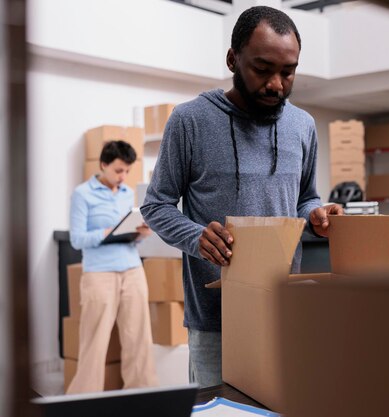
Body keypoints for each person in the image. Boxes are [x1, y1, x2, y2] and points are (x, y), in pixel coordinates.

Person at [140, 5, 343, 387]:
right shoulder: (190, 120)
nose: (276, 85)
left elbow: (305, 197)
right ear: (233, 59)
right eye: (262, 69)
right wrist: (196, 237)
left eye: (288, 72)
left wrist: (317, 213)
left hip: (281, 309)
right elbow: (156, 205)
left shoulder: (303, 125)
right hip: (215, 319)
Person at [68, 140, 157, 393]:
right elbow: (77, 239)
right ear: (103, 164)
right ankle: (82, 403)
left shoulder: (129, 194)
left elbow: (129, 235)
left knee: (139, 340)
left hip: (132, 270)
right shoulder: (82, 194)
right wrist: (108, 231)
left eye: (127, 171)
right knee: (94, 343)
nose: (123, 176)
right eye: (118, 170)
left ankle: (145, 399)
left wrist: (140, 234)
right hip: (99, 273)